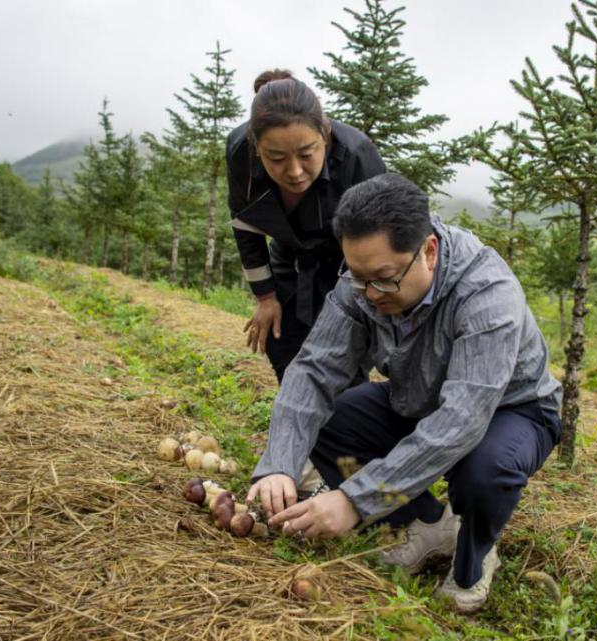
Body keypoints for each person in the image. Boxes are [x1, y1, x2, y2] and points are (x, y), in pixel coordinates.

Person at [246, 173, 563, 613]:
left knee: (483, 470)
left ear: (428, 252)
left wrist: (356, 501)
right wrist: (278, 464)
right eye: (358, 278)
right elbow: (315, 368)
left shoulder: (488, 295)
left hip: (512, 411)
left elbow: (462, 421)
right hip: (418, 395)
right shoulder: (363, 278)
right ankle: (425, 521)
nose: (369, 293)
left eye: (383, 280)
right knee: (329, 426)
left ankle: (476, 553)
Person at [227, 69, 386, 383]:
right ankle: (298, 422)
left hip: (348, 264)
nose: (295, 171)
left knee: (342, 359)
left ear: (324, 135)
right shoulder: (239, 154)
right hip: (290, 257)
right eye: (276, 158)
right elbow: (246, 227)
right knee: (283, 345)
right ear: (256, 147)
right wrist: (265, 298)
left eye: (306, 154)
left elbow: (383, 240)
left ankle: (341, 427)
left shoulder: (357, 156)